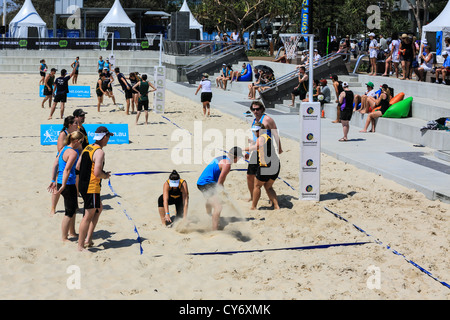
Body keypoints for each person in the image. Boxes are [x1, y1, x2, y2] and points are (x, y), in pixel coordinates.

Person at [76, 126, 113, 251]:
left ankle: (88, 238)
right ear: (103, 137)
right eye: (108, 136)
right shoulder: (99, 152)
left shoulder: (88, 147)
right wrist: (105, 175)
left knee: (99, 208)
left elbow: (78, 165)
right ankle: (80, 245)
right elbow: (97, 173)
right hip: (91, 186)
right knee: (88, 215)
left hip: (83, 183)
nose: (108, 139)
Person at [49, 131, 84, 242]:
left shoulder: (63, 149)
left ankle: (72, 232)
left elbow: (55, 164)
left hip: (62, 182)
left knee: (73, 209)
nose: (82, 144)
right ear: (76, 141)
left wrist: (53, 180)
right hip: (67, 184)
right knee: (69, 212)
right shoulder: (73, 153)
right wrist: (64, 184)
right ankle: (64, 237)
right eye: (81, 141)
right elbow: (67, 169)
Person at [197, 147, 243, 230]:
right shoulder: (227, 165)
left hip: (201, 181)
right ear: (236, 157)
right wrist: (222, 194)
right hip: (206, 183)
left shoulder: (222, 157)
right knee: (218, 207)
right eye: (239, 158)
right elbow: (220, 183)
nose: (239, 159)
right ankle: (214, 230)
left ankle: (209, 215)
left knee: (210, 199)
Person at [246, 101, 282, 203]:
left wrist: (279, 147)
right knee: (249, 175)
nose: (256, 111)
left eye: (258, 109)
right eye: (253, 109)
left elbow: (275, 133)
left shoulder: (267, 119)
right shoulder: (254, 120)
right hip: (256, 150)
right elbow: (254, 137)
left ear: (262, 109)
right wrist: (249, 151)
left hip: (265, 152)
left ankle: (268, 198)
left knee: (265, 178)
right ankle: (252, 196)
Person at [244, 122, 280, 210]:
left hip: (266, 166)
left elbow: (256, 147)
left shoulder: (261, 137)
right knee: (268, 186)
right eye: (254, 131)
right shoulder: (266, 137)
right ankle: (276, 206)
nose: (255, 133)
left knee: (257, 186)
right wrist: (253, 143)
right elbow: (260, 147)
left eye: (256, 131)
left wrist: (243, 149)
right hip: (276, 165)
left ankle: (253, 207)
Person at [49, 116, 79, 216]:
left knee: (74, 183)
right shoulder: (64, 133)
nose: (77, 124)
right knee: (58, 185)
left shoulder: (77, 133)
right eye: (75, 123)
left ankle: (75, 205)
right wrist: (70, 150)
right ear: (70, 125)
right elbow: (60, 148)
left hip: (73, 159)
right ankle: (53, 208)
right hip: (63, 160)